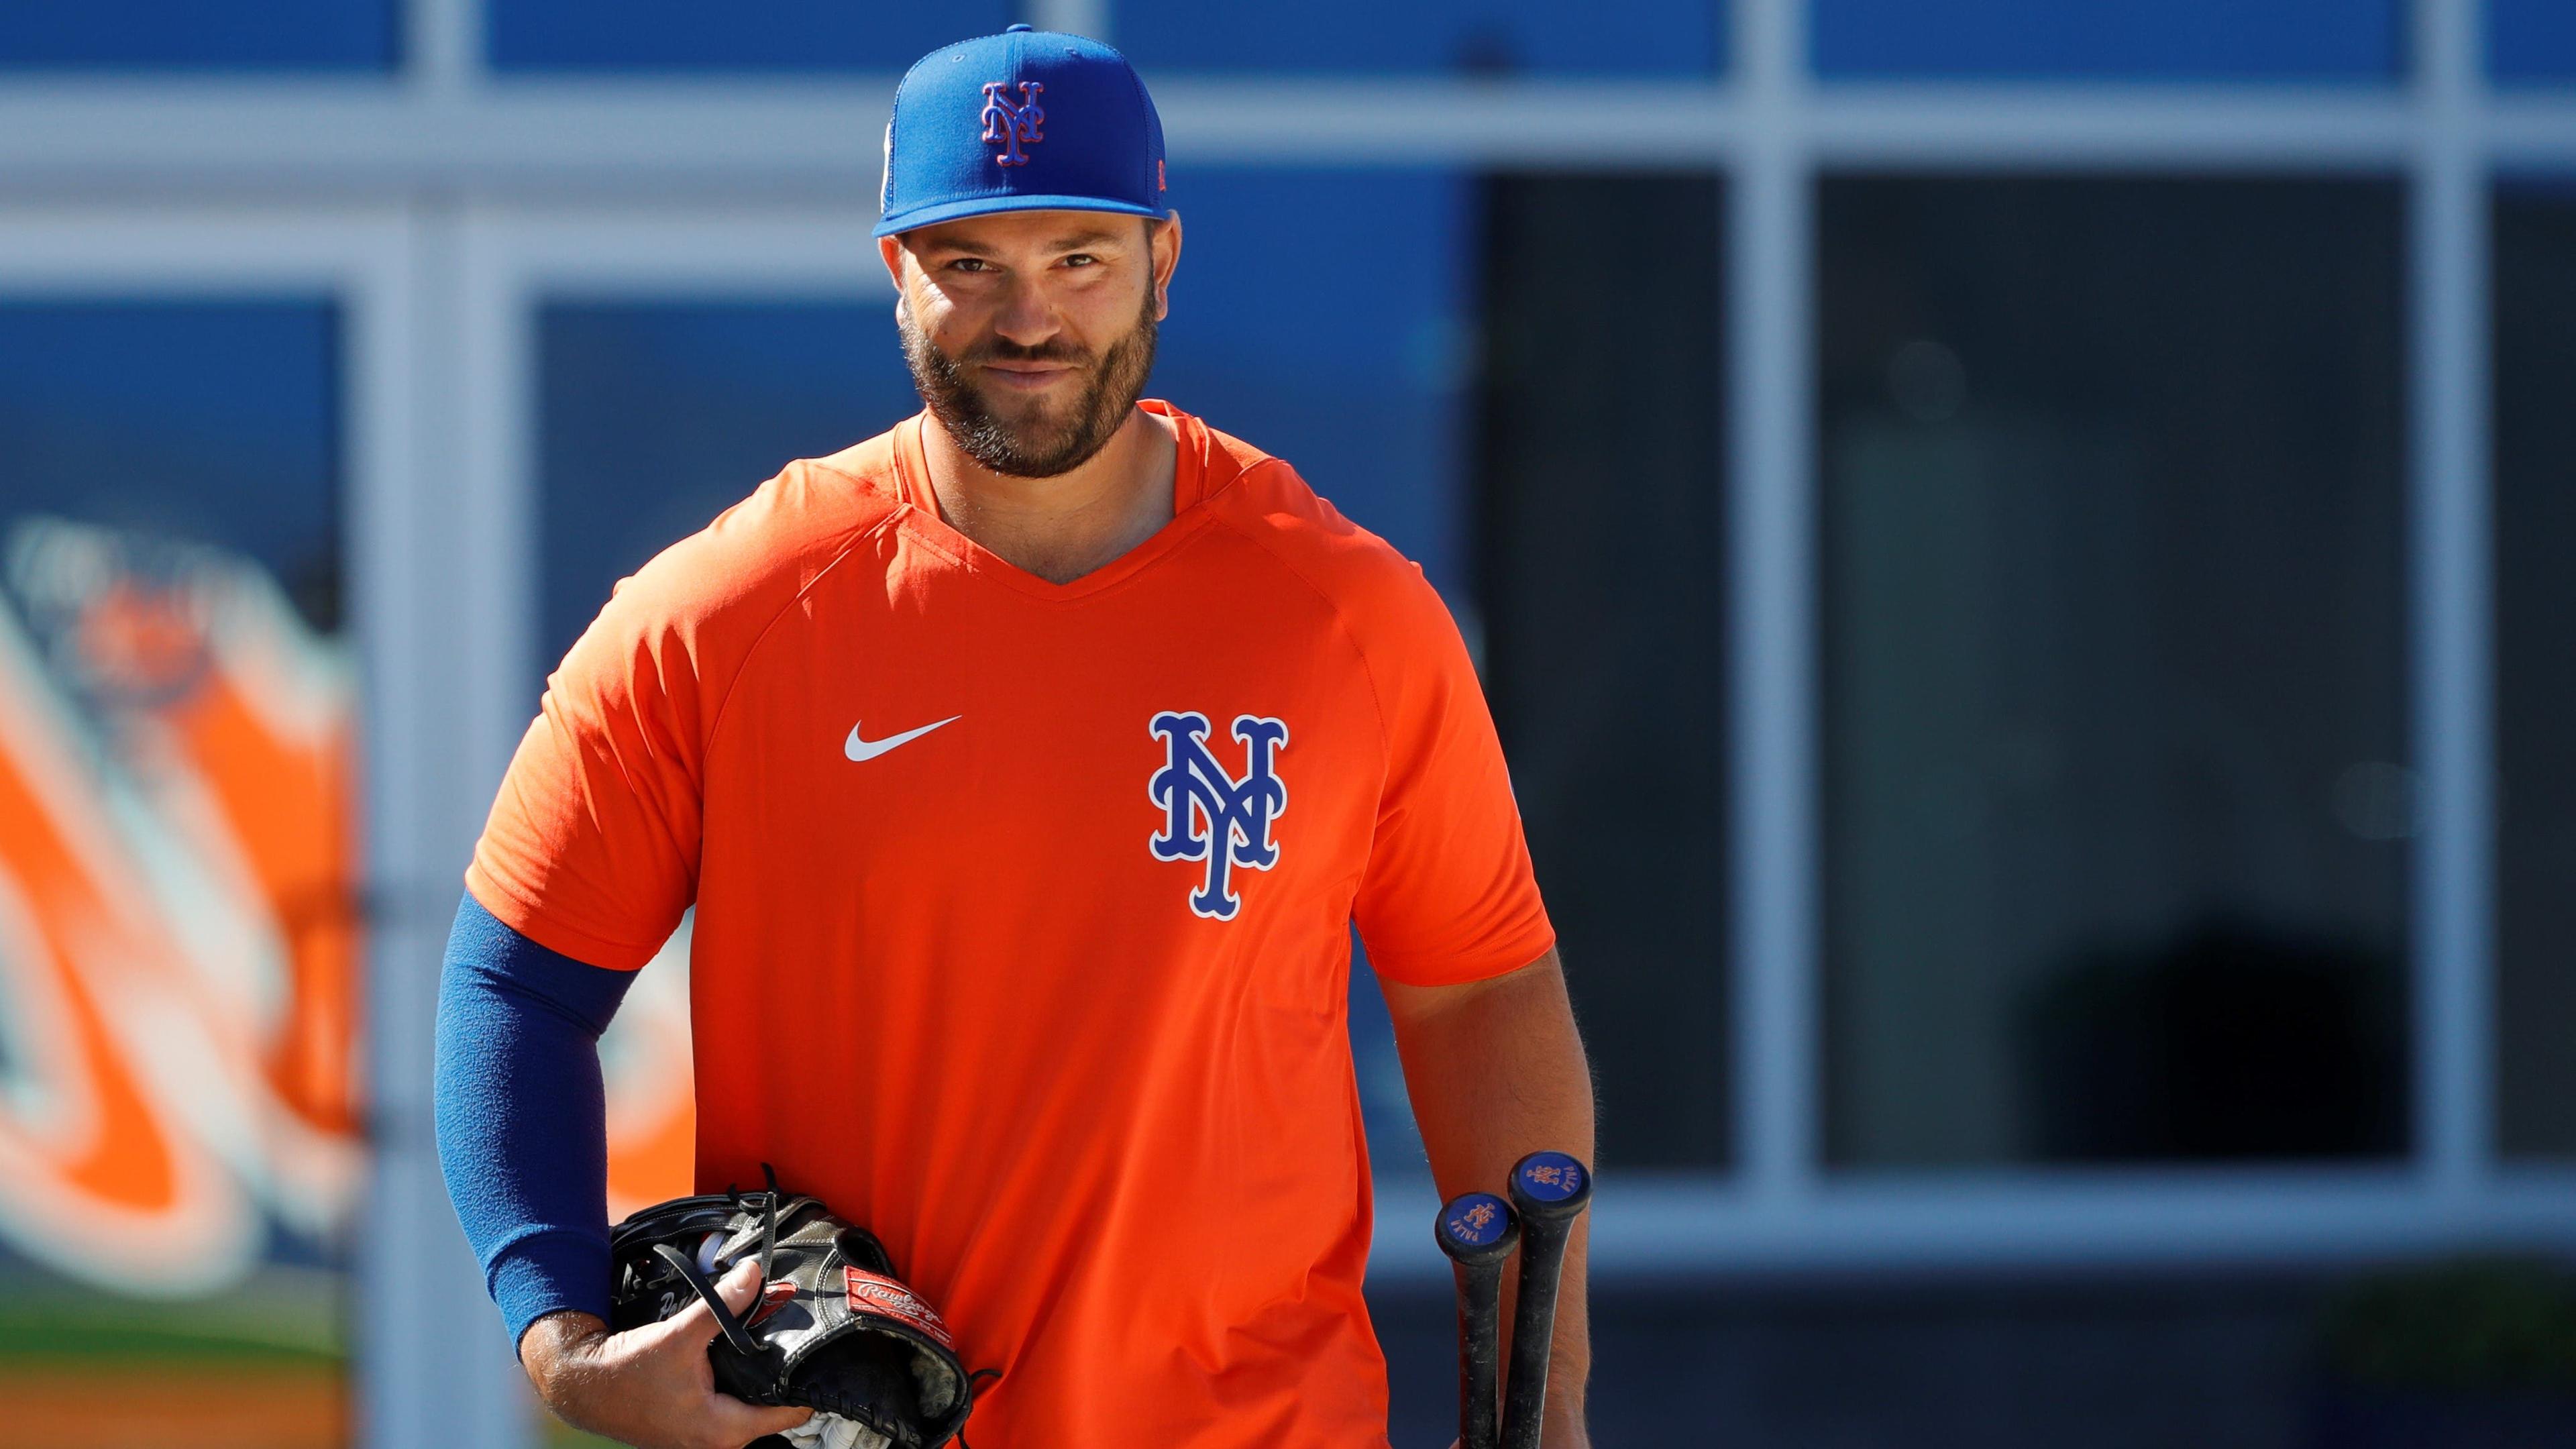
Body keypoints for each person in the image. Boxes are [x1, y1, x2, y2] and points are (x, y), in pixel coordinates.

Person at [433, 24, 1595, 1449]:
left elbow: (1480, 991)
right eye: (968, 263)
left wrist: (1548, 1405)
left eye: (1079, 261)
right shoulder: (722, 617)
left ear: (1165, 262)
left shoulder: (1351, 619)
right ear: (894, 277)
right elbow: (516, 989)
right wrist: (565, 1338)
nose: (1027, 317)